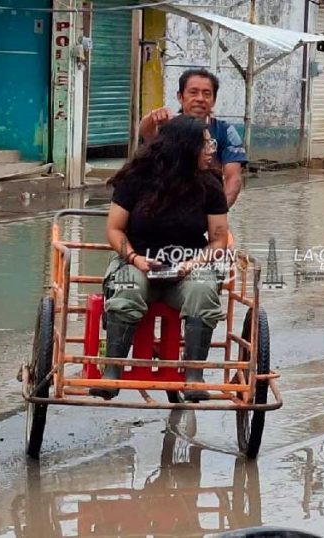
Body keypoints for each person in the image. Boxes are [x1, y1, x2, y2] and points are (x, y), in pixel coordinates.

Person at [98, 115, 230, 403]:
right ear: (185, 147)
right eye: (205, 145)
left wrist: (192, 265)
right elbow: (114, 229)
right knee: (127, 286)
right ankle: (112, 371)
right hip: (136, 263)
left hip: (186, 269)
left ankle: (194, 376)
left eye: (212, 144)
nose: (211, 151)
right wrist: (135, 259)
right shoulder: (136, 178)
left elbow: (219, 239)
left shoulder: (210, 184)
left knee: (203, 289)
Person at [138, 69, 247, 208]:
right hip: (165, 205)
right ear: (180, 97)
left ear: (213, 100)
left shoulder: (226, 131)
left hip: (206, 204)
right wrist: (152, 117)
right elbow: (146, 133)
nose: (200, 99)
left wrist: (219, 210)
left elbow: (234, 178)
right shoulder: (168, 127)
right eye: (193, 92)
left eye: (206, 94)